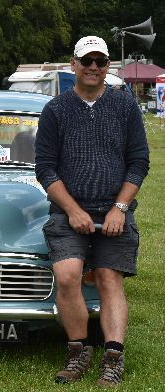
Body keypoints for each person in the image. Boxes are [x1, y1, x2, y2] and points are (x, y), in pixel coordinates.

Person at [35, 36, 149, 387]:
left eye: (100, 61)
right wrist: (72, 210)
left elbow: (138, 162)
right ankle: (78, 351)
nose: (94, 67)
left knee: (109, 278)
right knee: (68, 275)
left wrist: (119, 208)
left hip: (114, 212)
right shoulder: (55, 110)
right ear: (74, 65)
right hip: (69, 214)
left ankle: (113, 356)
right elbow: (45, 168)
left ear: (109, 66)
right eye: (87, 61)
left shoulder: (125, 107)